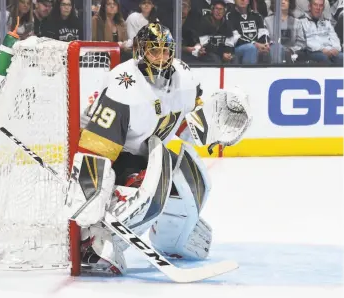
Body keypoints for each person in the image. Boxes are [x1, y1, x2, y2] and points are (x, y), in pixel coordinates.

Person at [66, 22, 252, 275]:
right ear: (140, 52)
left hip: (150, 150)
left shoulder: (183, 75)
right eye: (154, 51)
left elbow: (190, 118)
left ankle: (174, 239)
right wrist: (90, 193)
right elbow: (96, 147)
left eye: (166, 51)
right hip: (117, 154)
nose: (162, 58)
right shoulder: (124, 85)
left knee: (192, 178)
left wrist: (214, 122)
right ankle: (95, 241)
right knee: (151, 185)